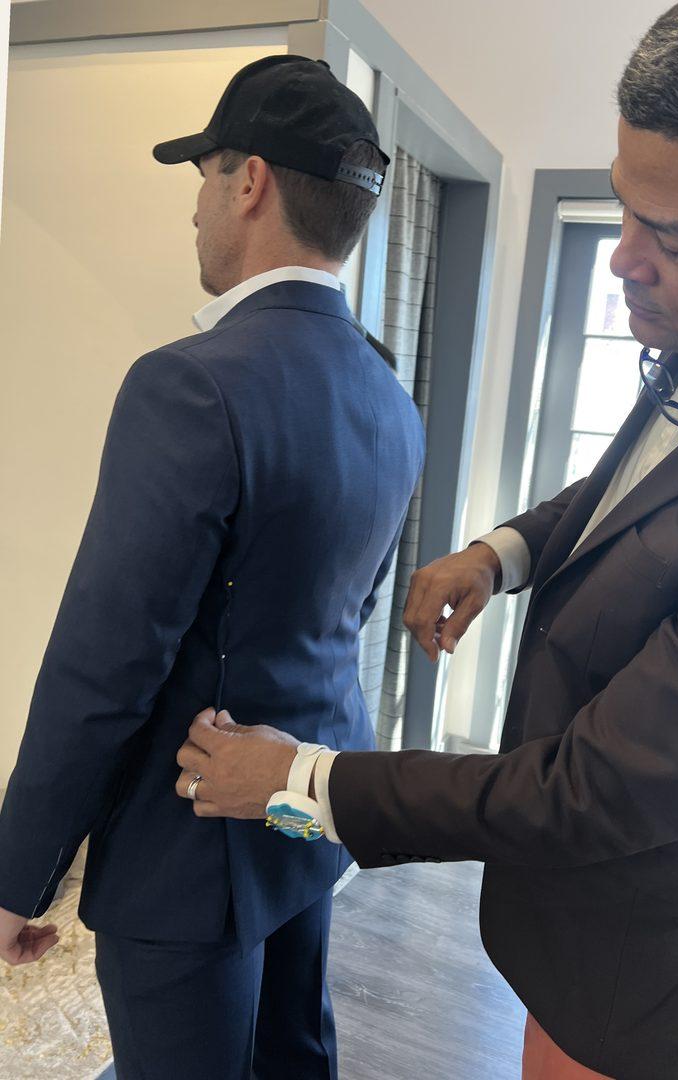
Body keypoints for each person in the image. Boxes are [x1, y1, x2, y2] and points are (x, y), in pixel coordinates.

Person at [176, 3, 678, 1078]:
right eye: (624, 211)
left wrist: (304, 785)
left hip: (660, 979)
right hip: (575, 936)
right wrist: (503, 552)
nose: (623, 262)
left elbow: (590, 793)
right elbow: (636, 490)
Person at [0, 55, 425, 1080]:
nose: (194, 209)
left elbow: (107, 660)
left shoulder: (188, 386)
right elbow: (345, 608)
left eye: (203, 174)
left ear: (250, 182)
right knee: (292, 1060)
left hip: (189, 850)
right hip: (307, 812)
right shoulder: (386, 392)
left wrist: (22, 869)